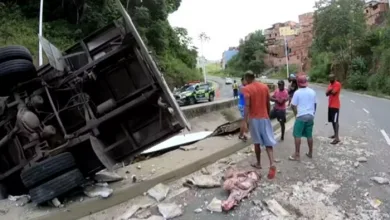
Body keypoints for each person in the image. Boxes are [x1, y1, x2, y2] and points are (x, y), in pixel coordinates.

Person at [242, 71, 277, 179]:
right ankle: (272, 163)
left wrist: (245, 120)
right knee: (268, 141)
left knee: (257, 142)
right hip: (265, 117)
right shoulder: (264, 87)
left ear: (247, 78)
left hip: (254, 119)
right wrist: (267, 114)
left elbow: (247, 106)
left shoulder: (247, 88)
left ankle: (258, 163)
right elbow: (268, 103)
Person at [289, 74, 317, 161]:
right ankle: (310, 153)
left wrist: (296, 114)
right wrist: (313, 113)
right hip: (310, 116)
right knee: (309, 135)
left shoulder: (297, 93)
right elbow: (315, 104)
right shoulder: (312, 92)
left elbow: (293, 105)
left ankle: (297, 154)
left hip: (301, 116)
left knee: (297, 135)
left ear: (298, 83)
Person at [326, 74, 342, 145]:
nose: (330, 80)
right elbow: (326, 94)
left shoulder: (337, 84)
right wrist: (330, 90)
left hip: (335, 106)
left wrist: (330, 90)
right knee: (332, 121)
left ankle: (337, 138)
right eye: (329, 79)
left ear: (334, 78)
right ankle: (335, 134)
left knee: (335, 121)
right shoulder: (330, 84)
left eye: (331, 79)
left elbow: (333, 92)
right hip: (330, 105)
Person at [238, 77, 248, 141]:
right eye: (245, 80)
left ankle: (243, 134)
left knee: (245, 120)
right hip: (242, 105)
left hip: (244, 105)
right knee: (244, 121)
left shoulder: (243, 87)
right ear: (242, 81)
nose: (246, 82)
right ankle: (242, 134)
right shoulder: (242, 87)